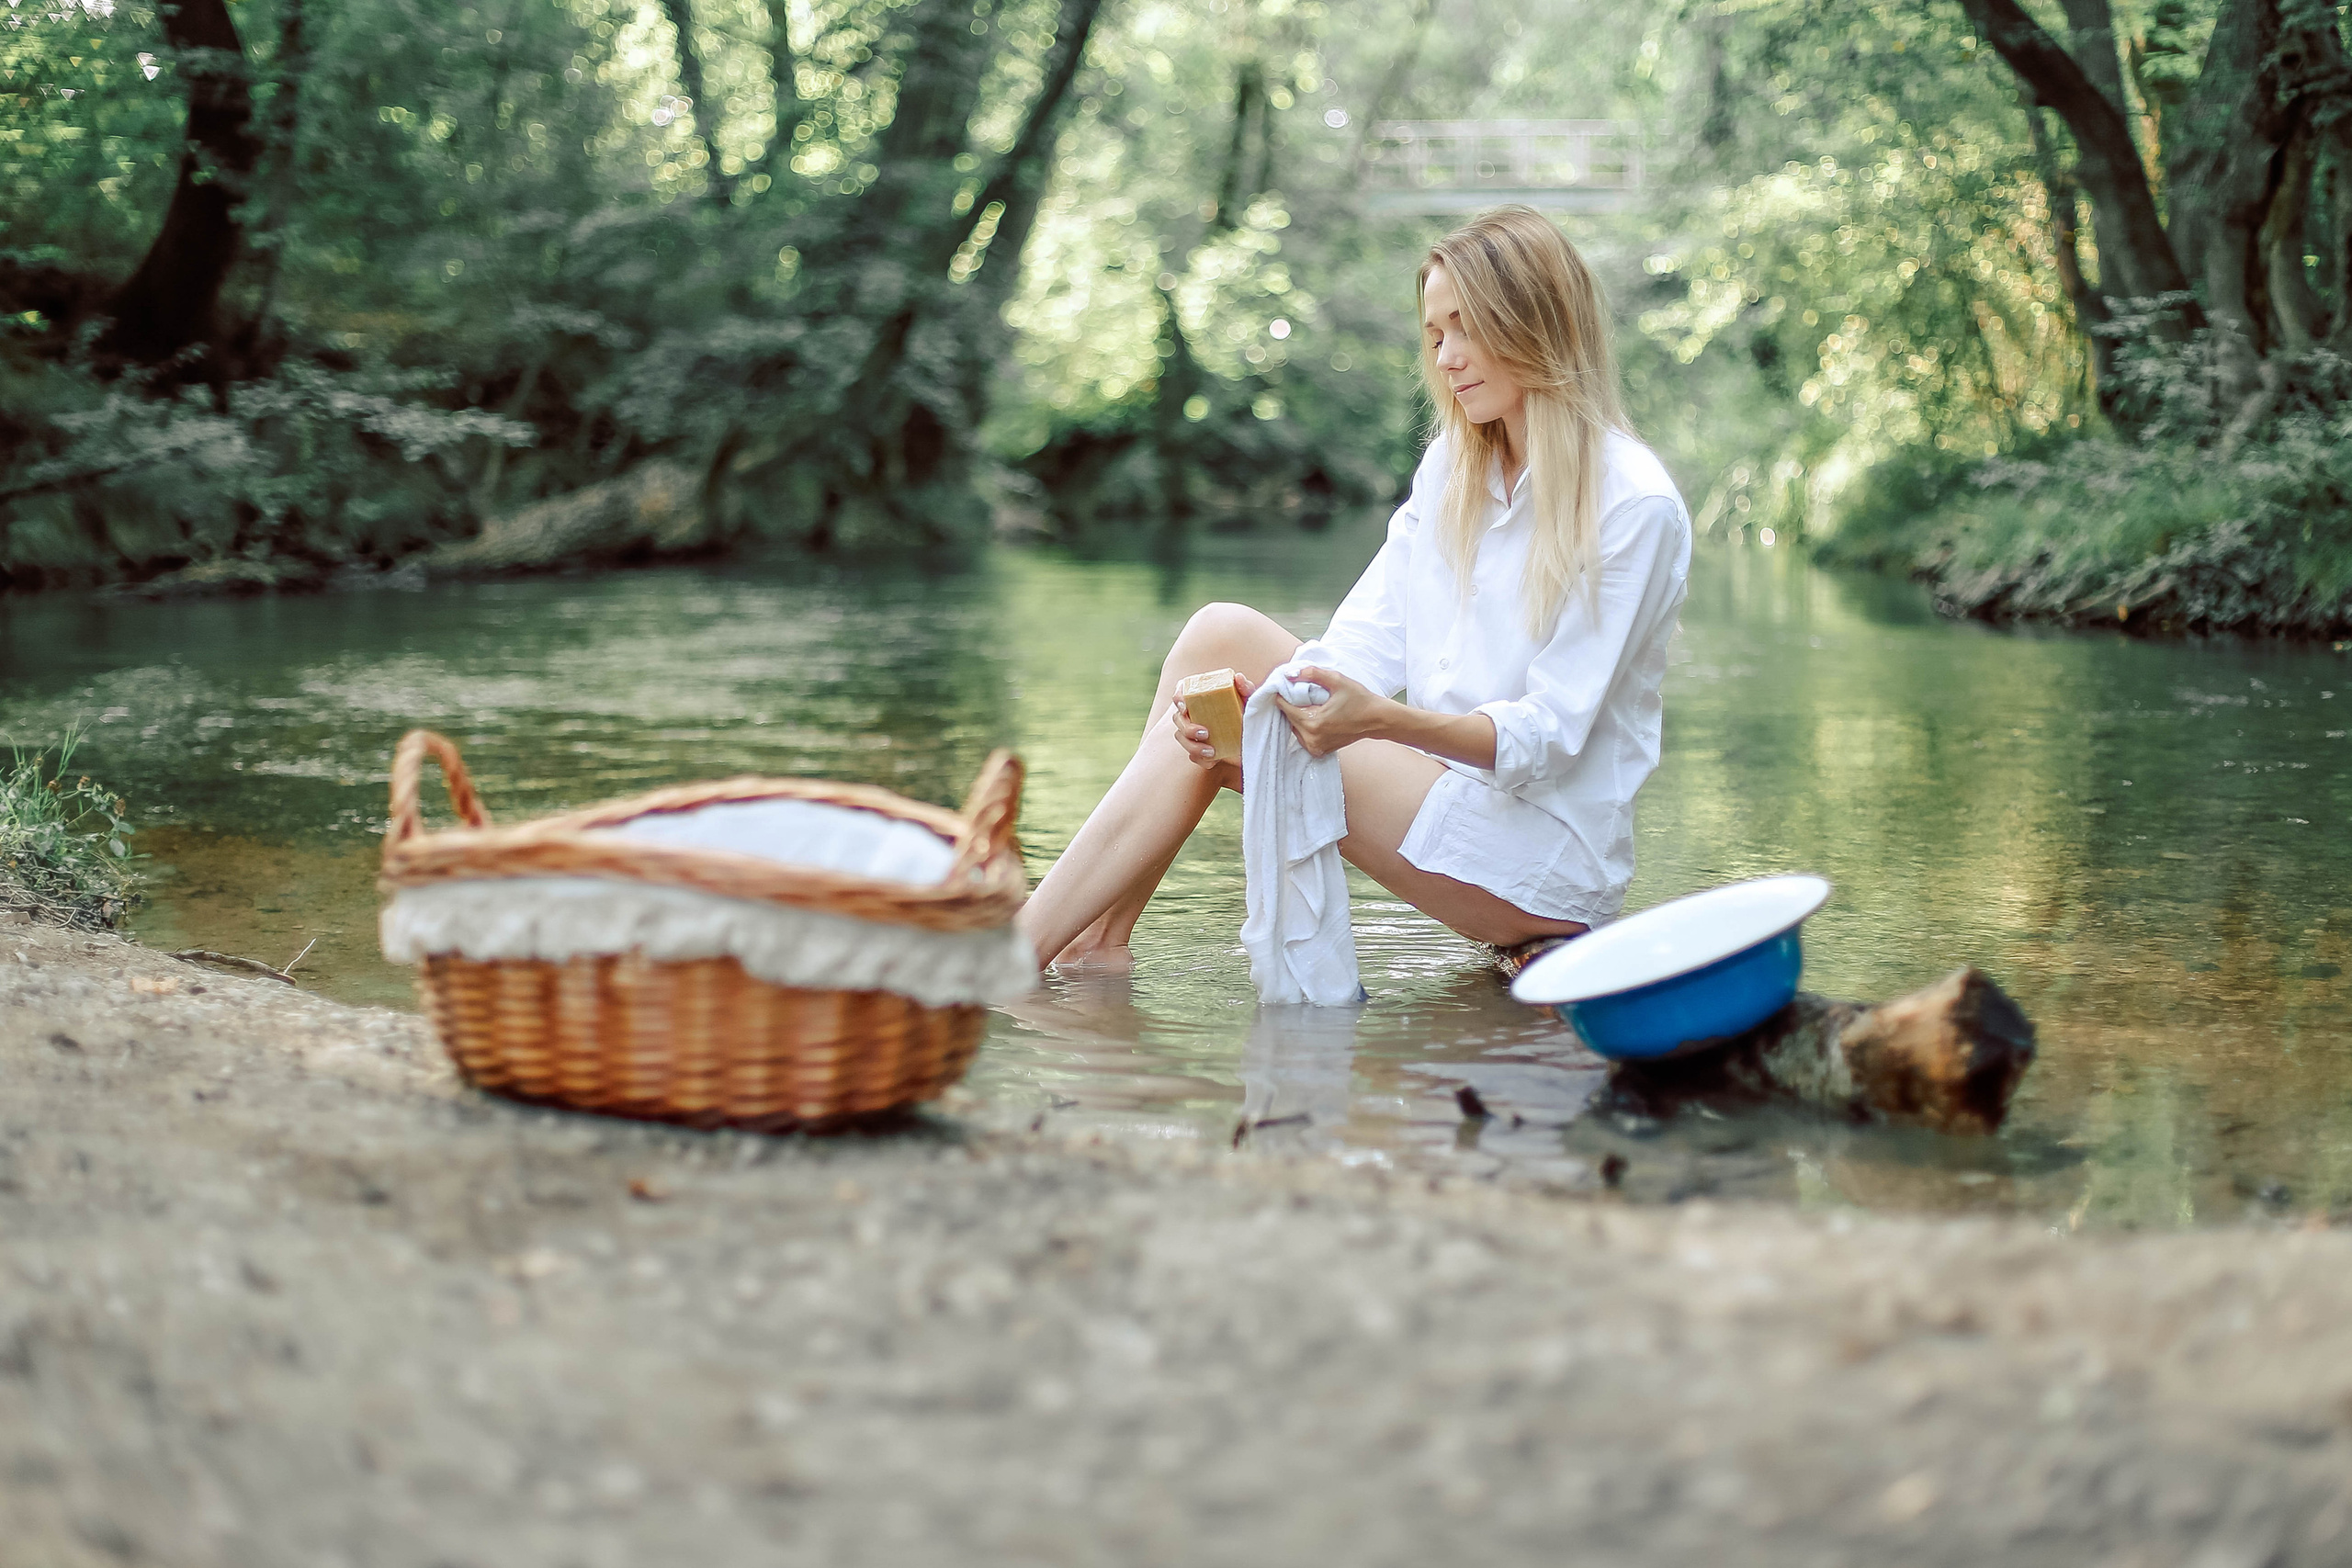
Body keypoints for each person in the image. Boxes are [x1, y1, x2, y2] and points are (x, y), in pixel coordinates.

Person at [1018, 206, 1691, 974]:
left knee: (1240, 686)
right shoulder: (1454, 470)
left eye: (1466, 328)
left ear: (1534, 321)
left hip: (1540, 862)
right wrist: (1273, 701)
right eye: (1435, 336)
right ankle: (1093, 943)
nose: (1447, 358)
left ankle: (1012, 958)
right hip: (1437, 800)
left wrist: (1381, 721)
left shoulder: (1633, 503)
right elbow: (1358, 647)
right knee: (1217, 642)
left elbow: (1546, 736)